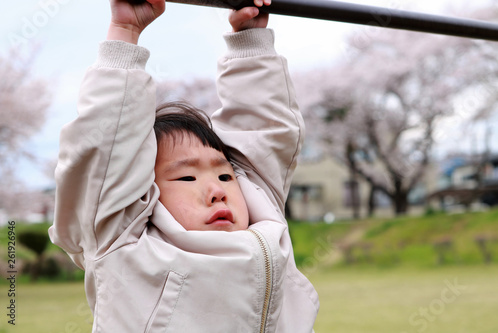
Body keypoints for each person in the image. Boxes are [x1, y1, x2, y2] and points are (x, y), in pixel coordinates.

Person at [49, 0, 319, 331]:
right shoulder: (121, 240)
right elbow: (103, 158)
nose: (217, 191)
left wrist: (250, 41)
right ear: (146, 192)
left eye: (224, 174)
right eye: (187, 177)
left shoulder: (263, 215)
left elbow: (263, 133)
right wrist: (125, 32)